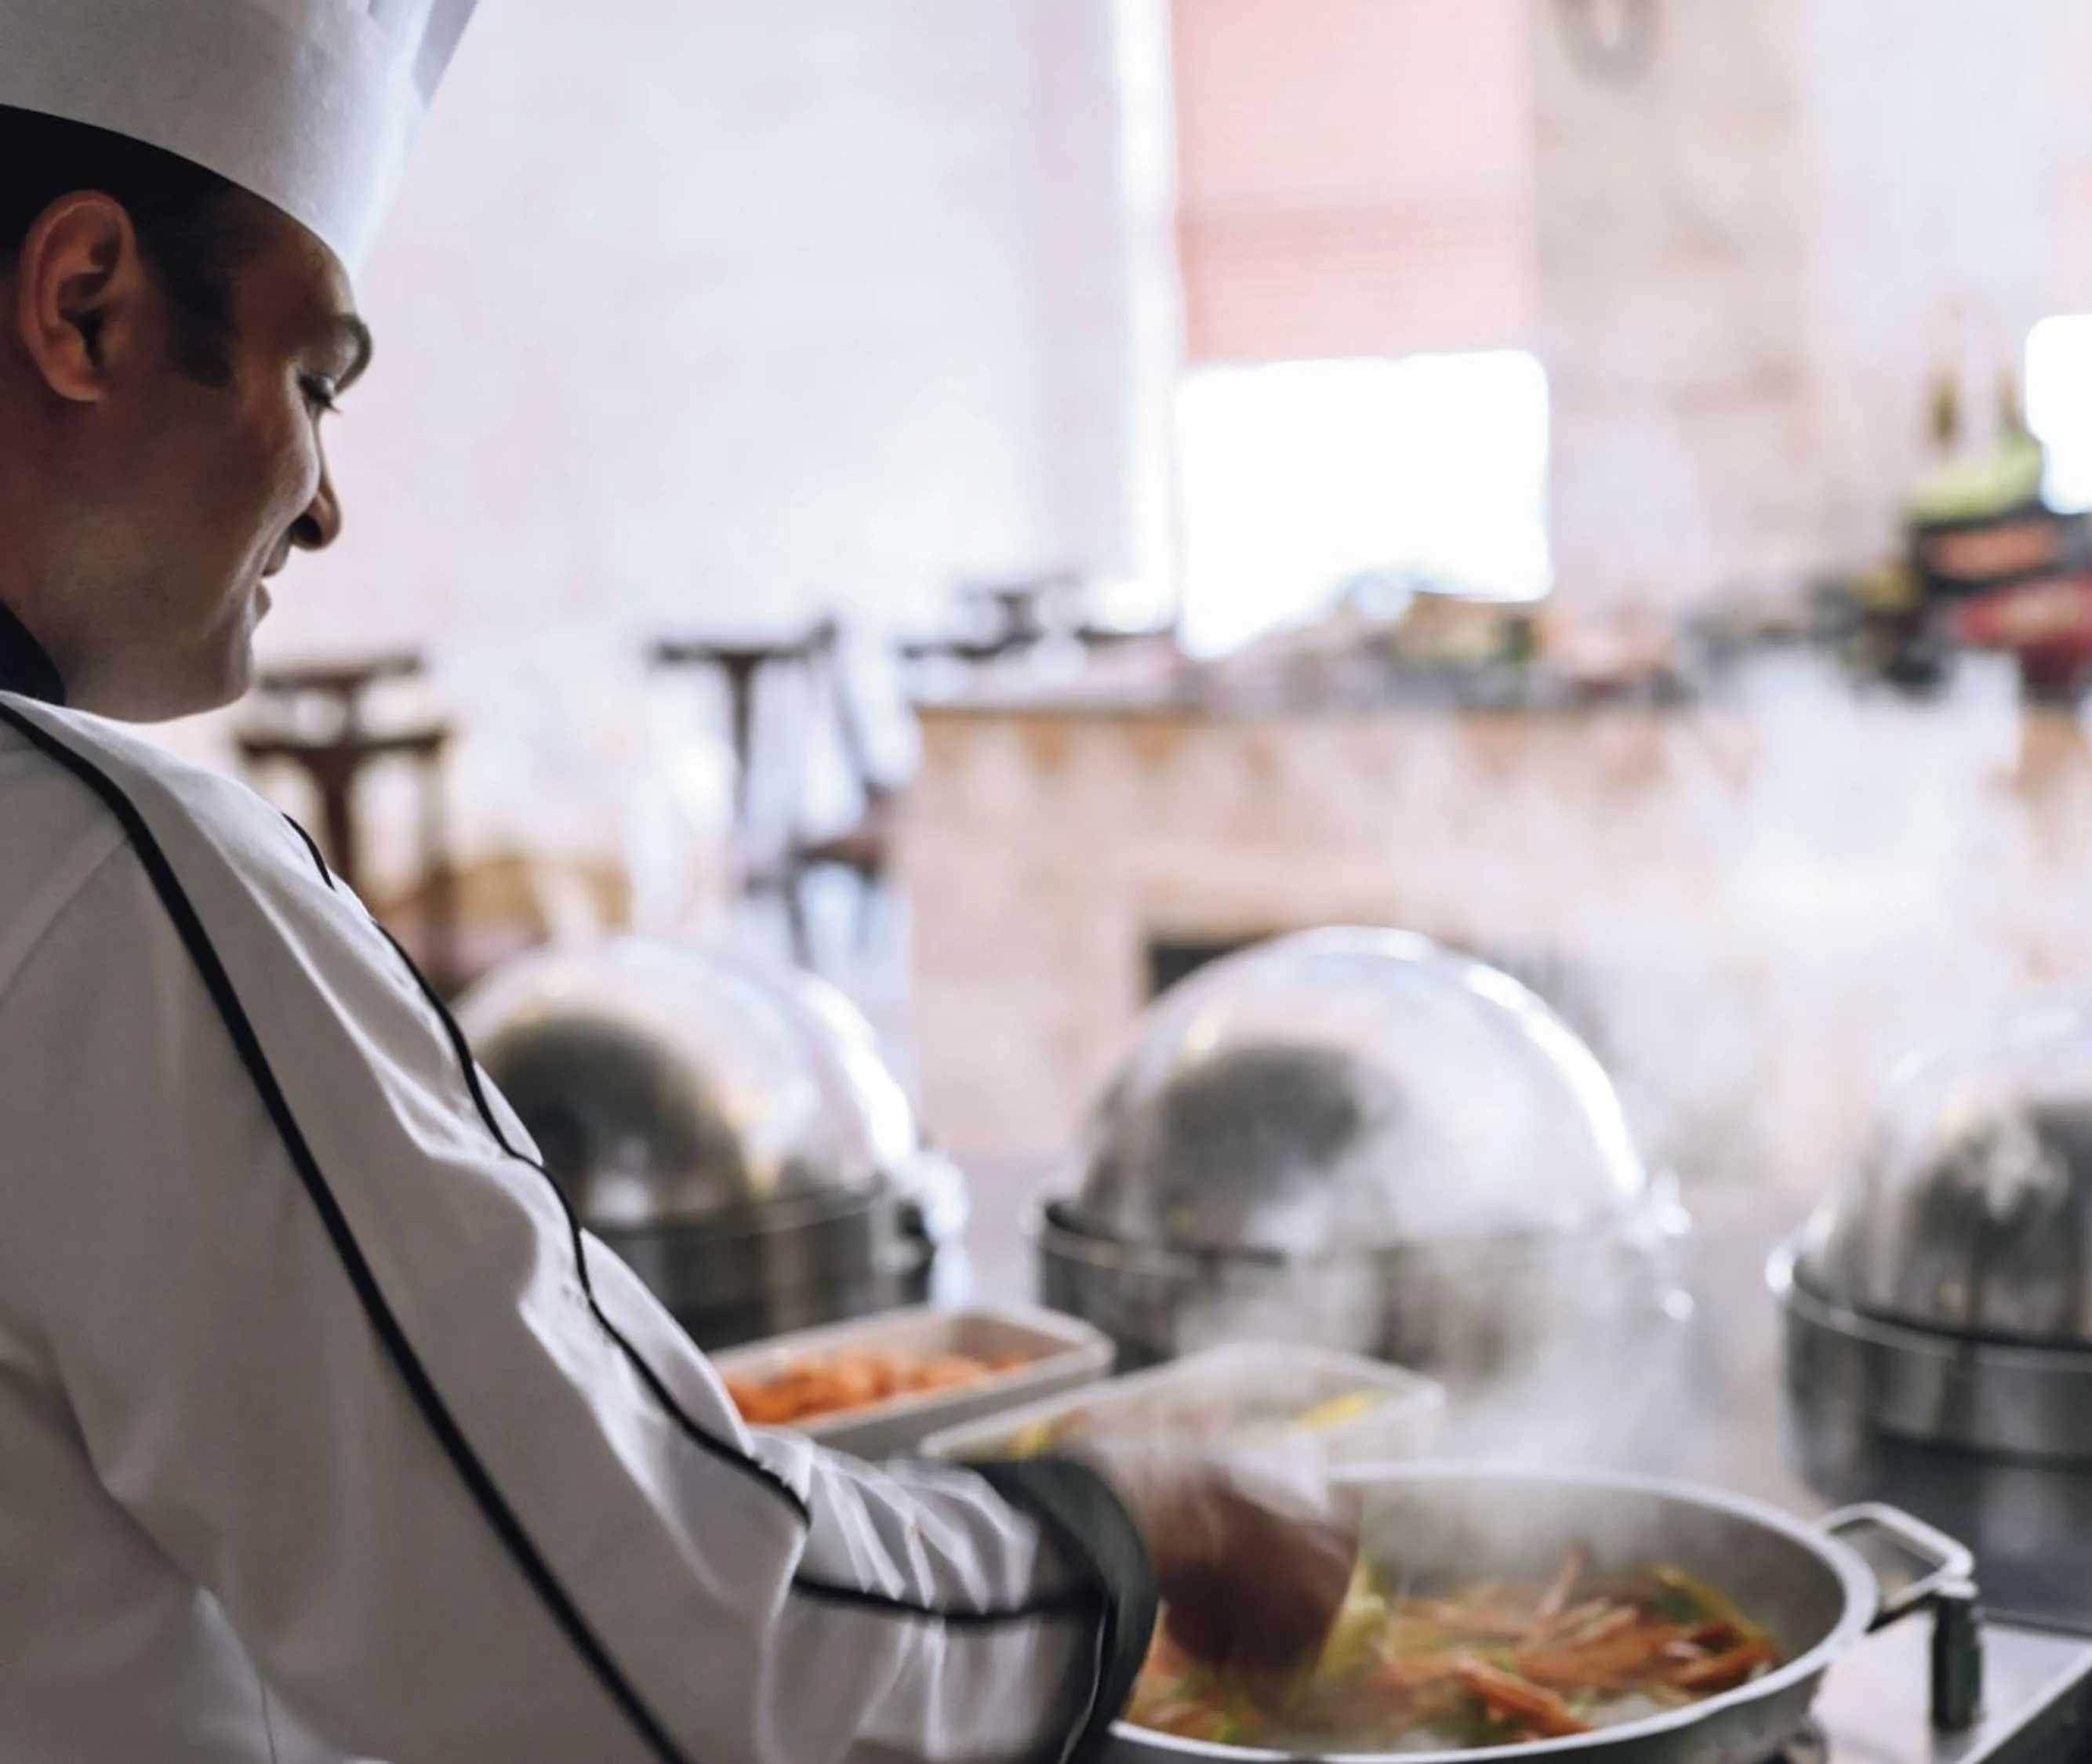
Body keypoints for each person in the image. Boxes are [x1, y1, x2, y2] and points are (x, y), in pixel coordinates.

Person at [0, 5, 1353, 1761]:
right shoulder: (101, 889)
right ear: (86, 306)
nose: (323, 505)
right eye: (315, 381)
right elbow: (657, 1644)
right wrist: (1126, 1523)